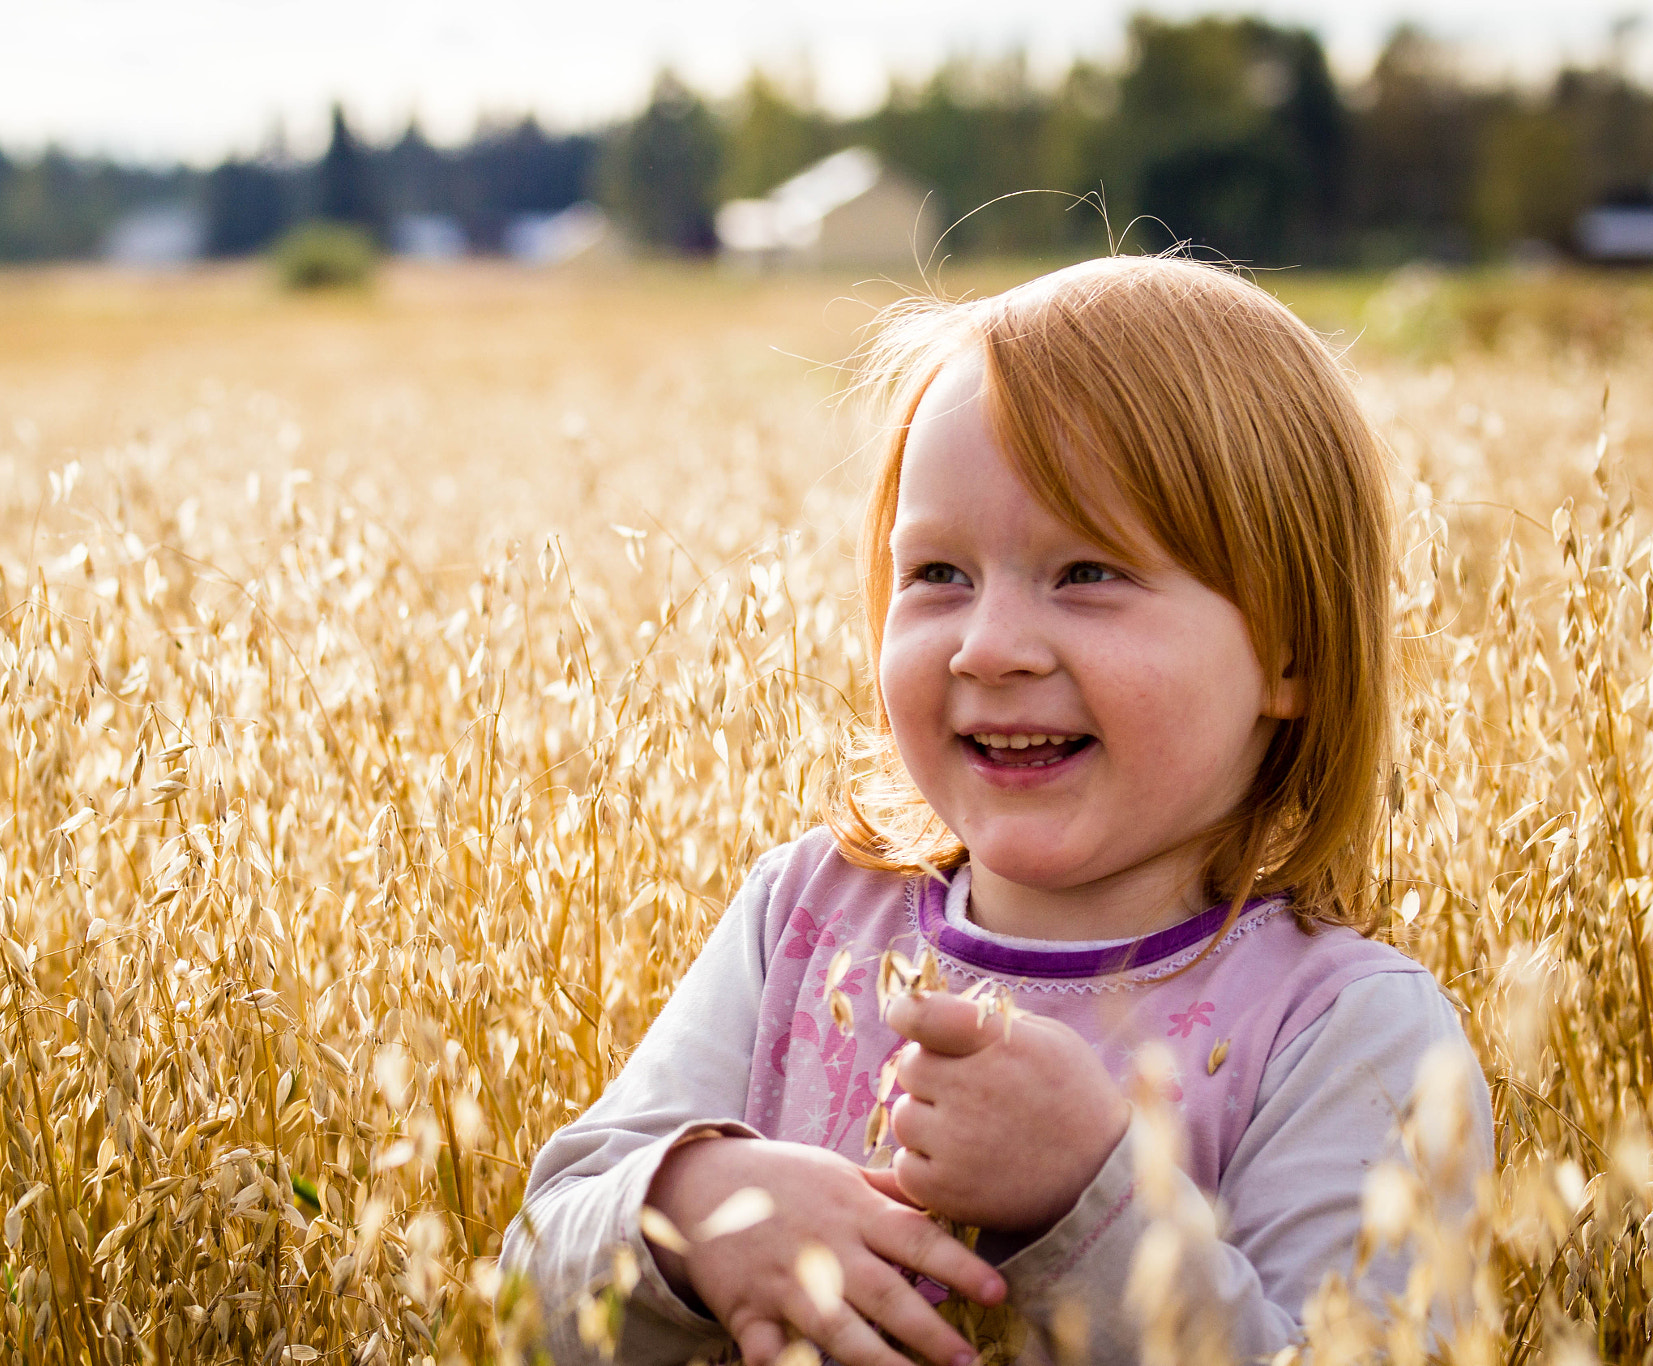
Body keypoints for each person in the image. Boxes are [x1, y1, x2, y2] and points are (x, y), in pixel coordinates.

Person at [501, 255, 1492, 1365]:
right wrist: (689, 1212)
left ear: (1288, 649)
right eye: (936, 574)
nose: (988, 647)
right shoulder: (806, 914)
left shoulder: (1344, 1031)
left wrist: (1091, 1200)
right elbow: (523, 1295)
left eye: (1086, 572)